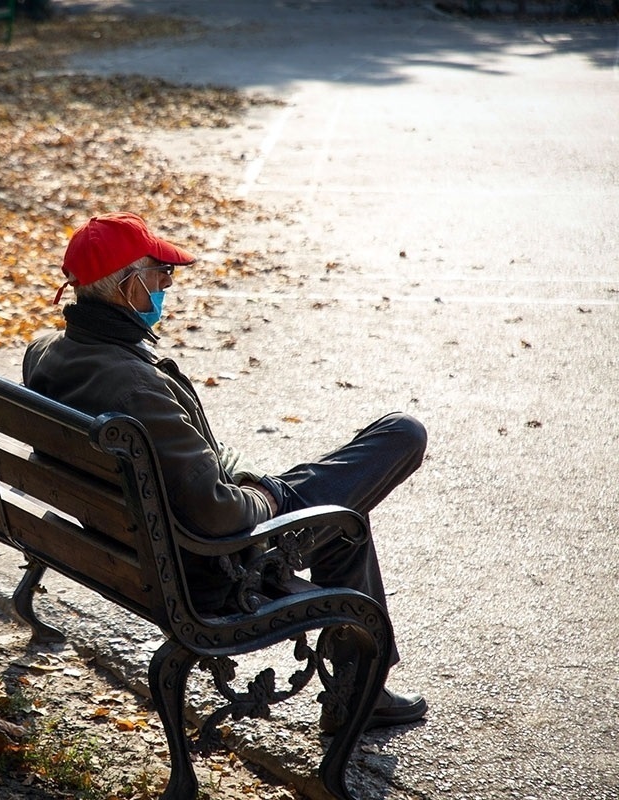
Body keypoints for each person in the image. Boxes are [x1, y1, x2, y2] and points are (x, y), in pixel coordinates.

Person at [23, 211, 428, 732]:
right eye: (158, 273)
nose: (168, 284)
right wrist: (265, 496)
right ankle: (359, 693)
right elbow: (220, 515)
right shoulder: (134, 388)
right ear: (127, 288)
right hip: (212, 568)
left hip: (130, 546)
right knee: (400, 437)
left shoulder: (46, 354)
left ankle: (359, 690)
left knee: (341, 511)